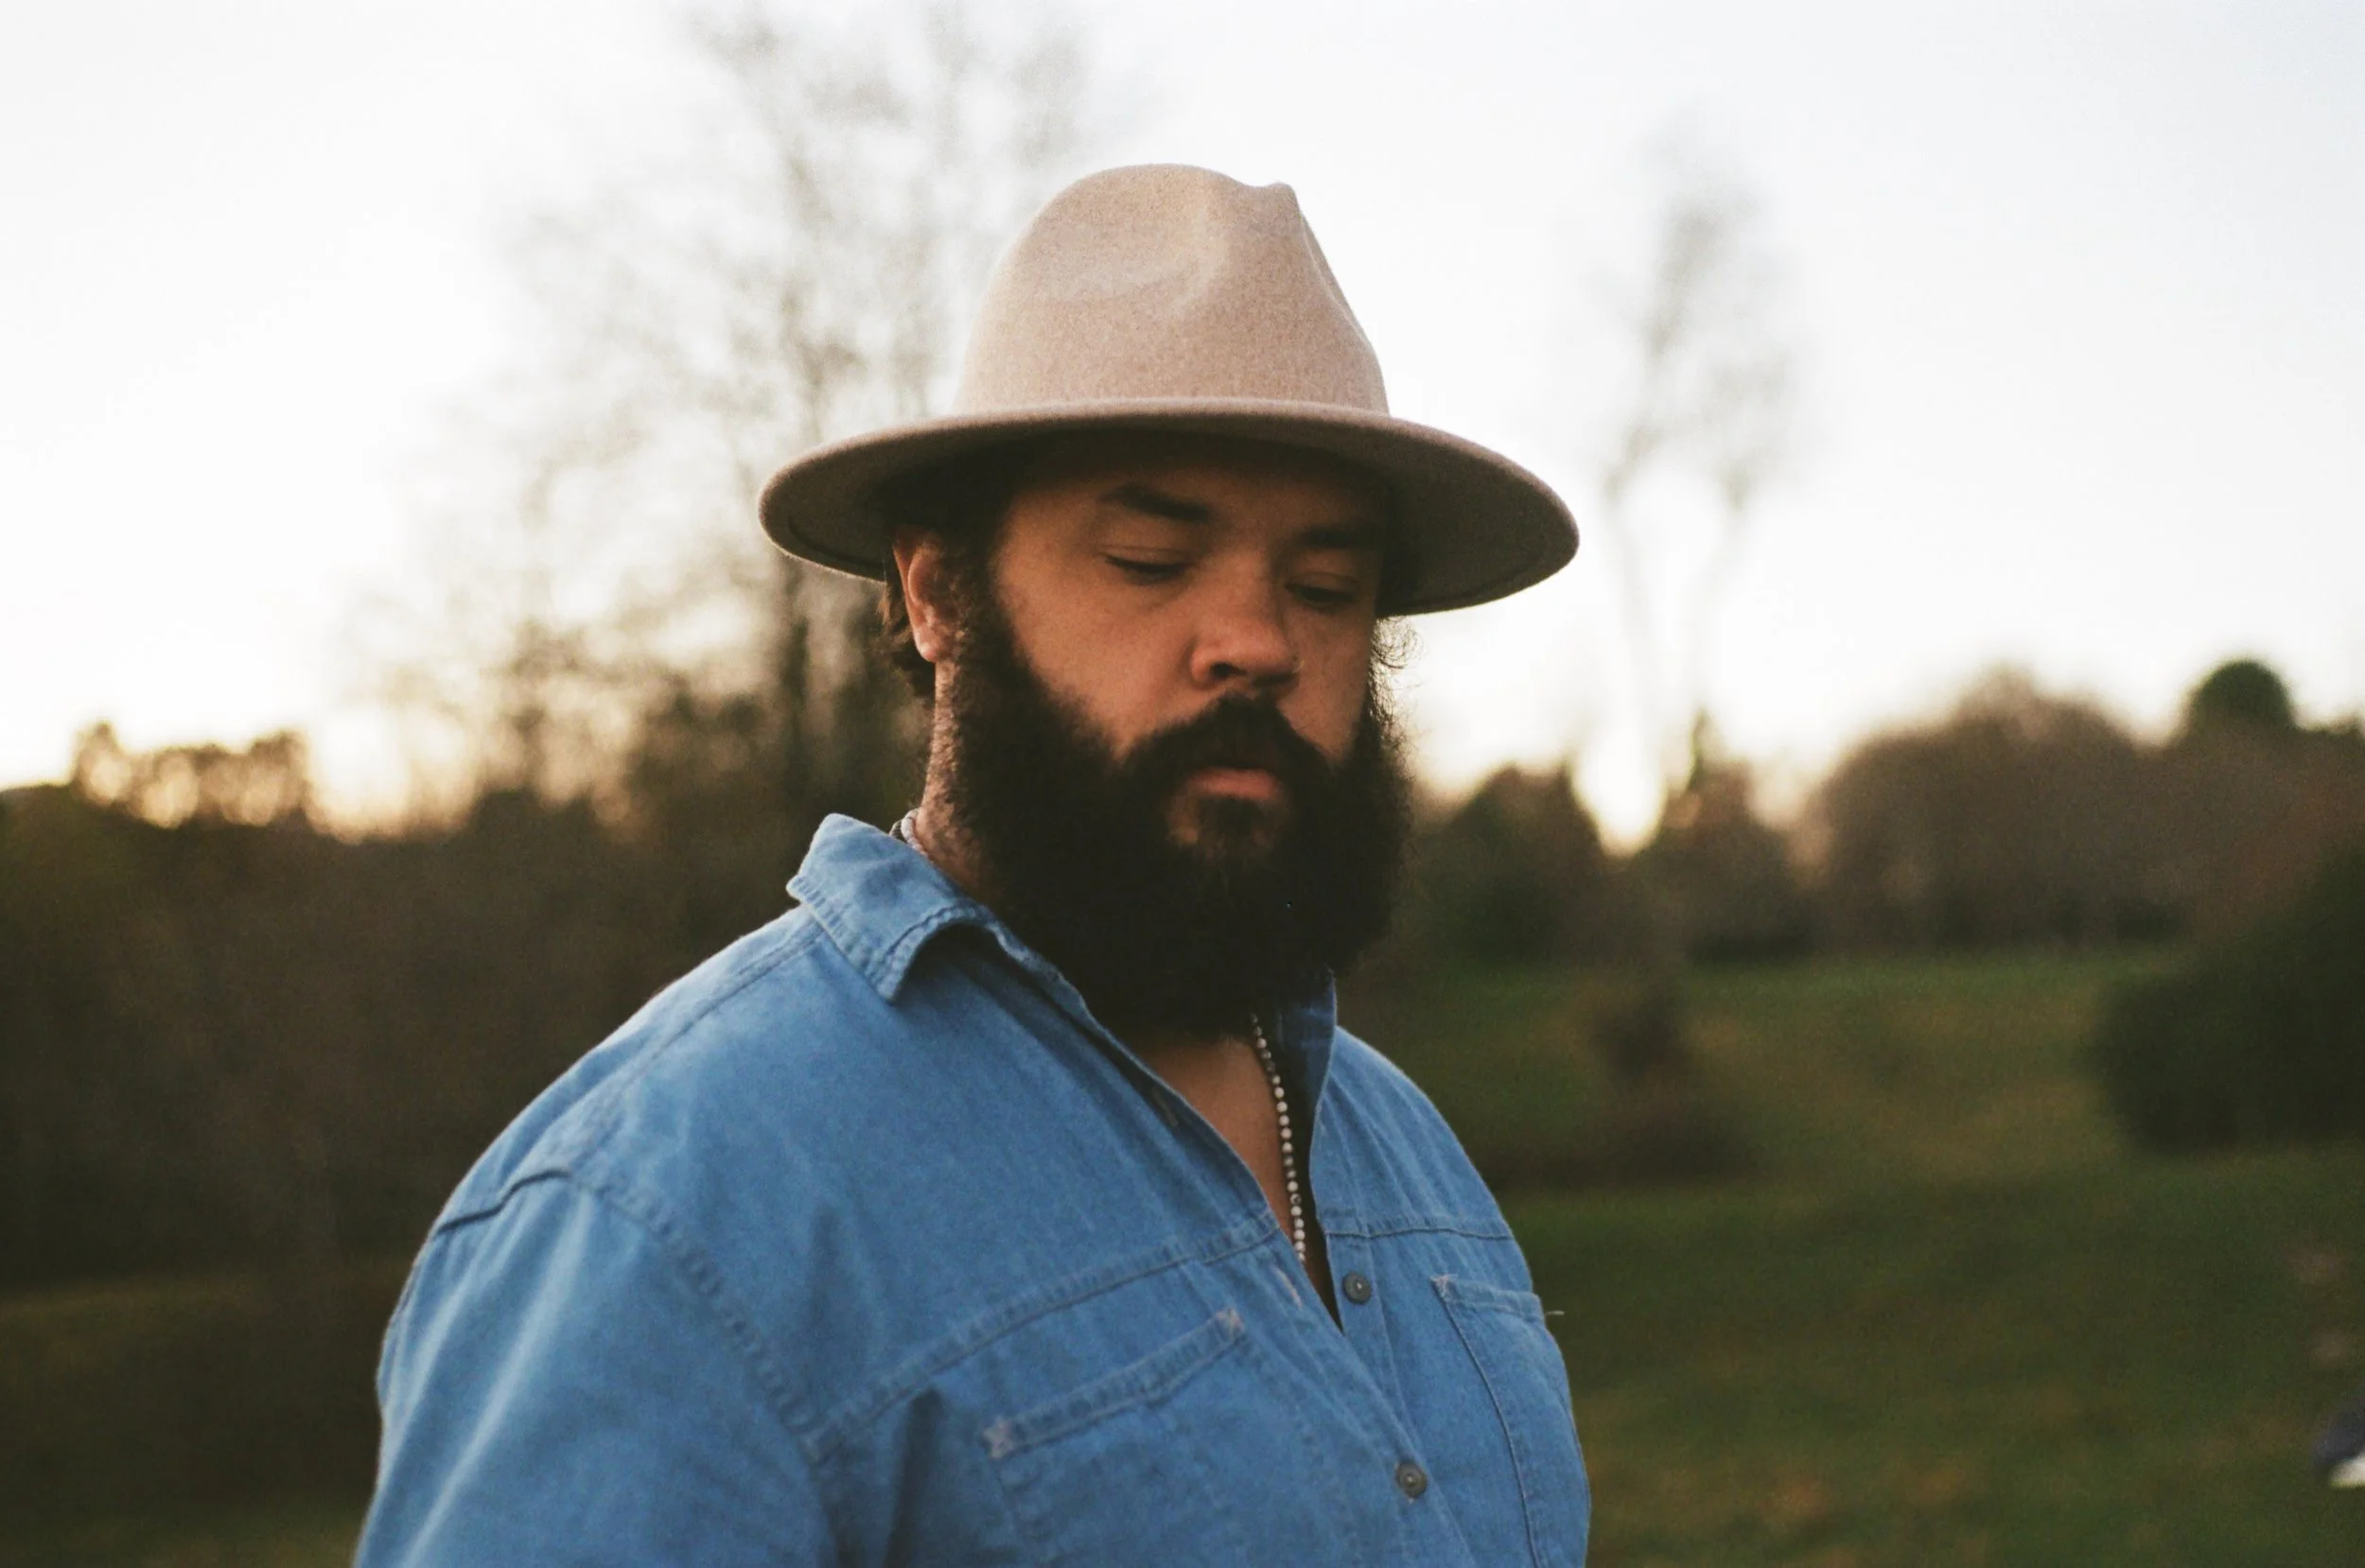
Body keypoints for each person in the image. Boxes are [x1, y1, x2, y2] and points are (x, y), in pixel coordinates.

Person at [357, 164, 1587, 1566]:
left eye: (1324, 586)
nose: (1259, 640)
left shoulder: (1406, 1149)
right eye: (1149, 558)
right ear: (937, 591)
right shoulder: (665, 1217)